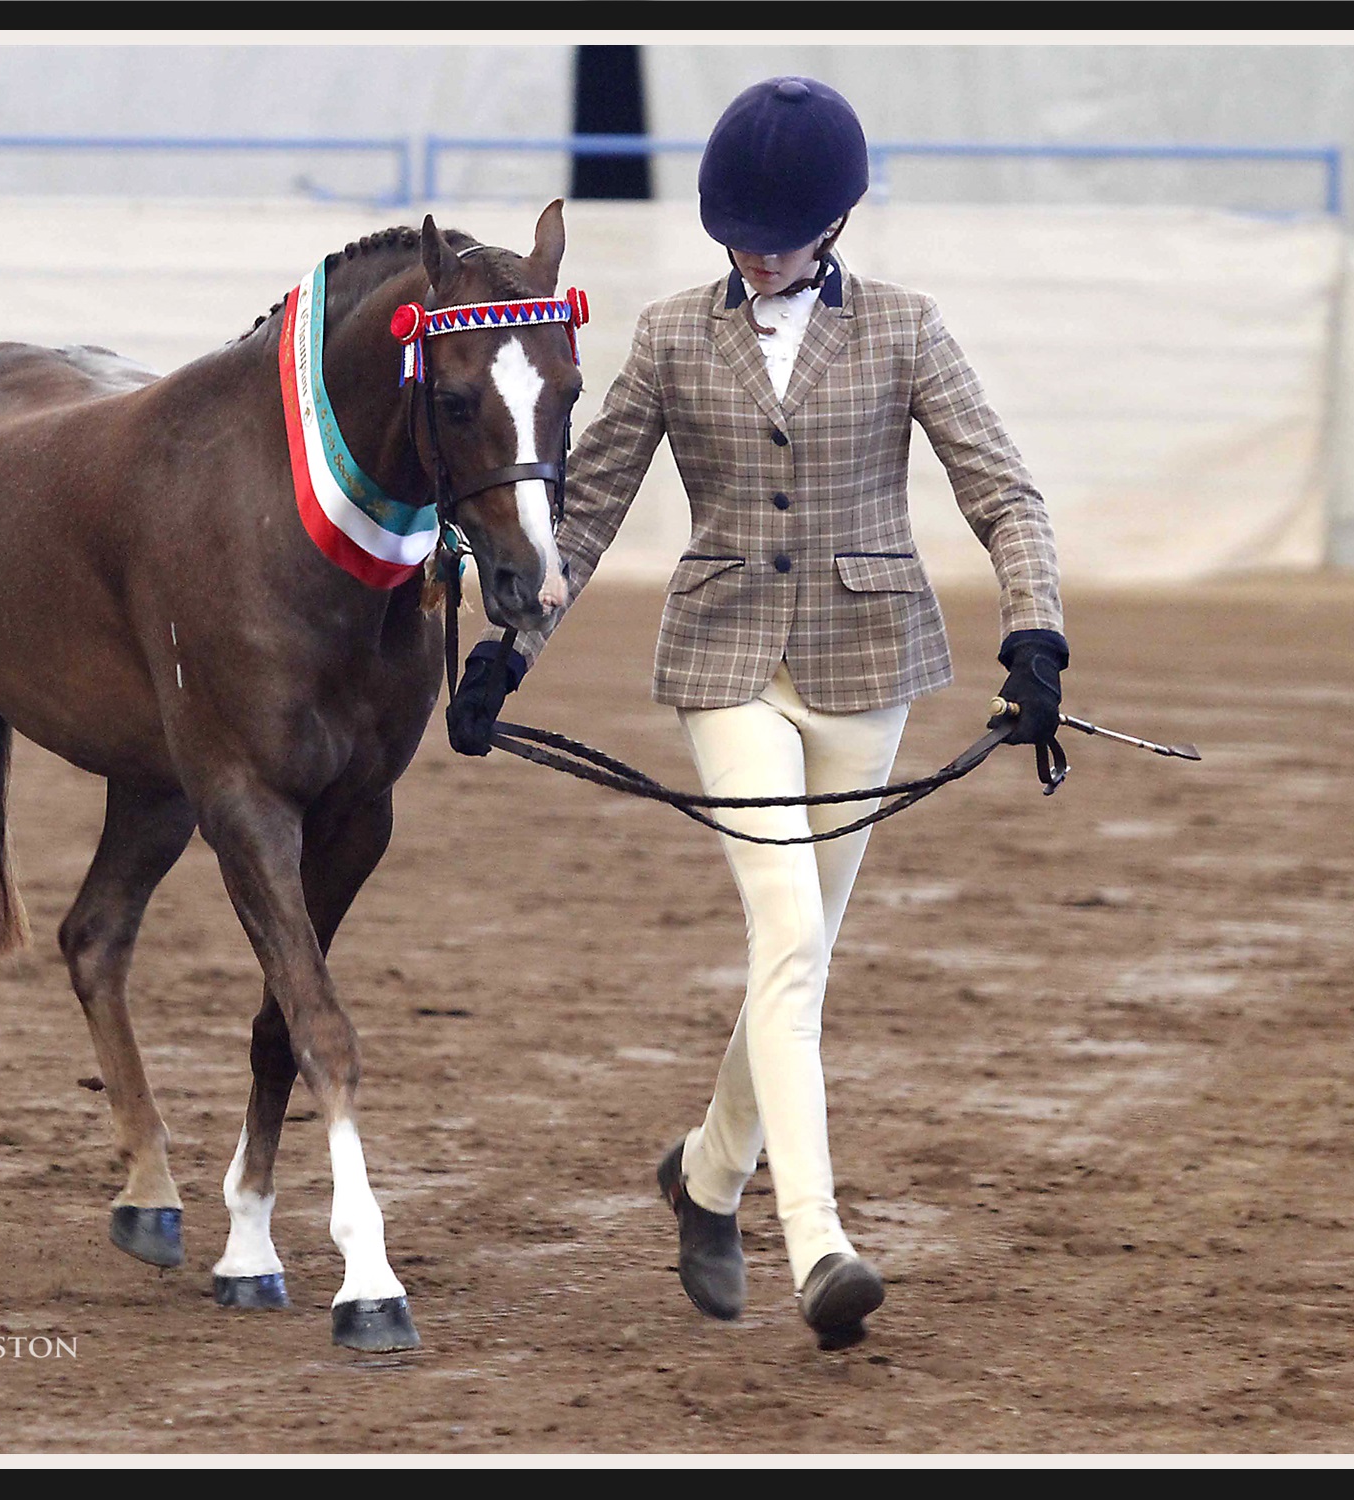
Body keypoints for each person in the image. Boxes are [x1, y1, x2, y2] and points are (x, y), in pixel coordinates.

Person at [443, 76, 1068, 1349]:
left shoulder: (905, 329)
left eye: (774, 231)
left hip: (868, 666)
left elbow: (1003, 491)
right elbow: (591, 506)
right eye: (734, 228)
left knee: (802, 959)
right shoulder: (675, 336)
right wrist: (511, 651)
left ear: (836, 223)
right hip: (725, 662)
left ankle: (709, 1175)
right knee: (784, 924)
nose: (750, 250)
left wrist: (1034, 627)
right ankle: (821, 1242)